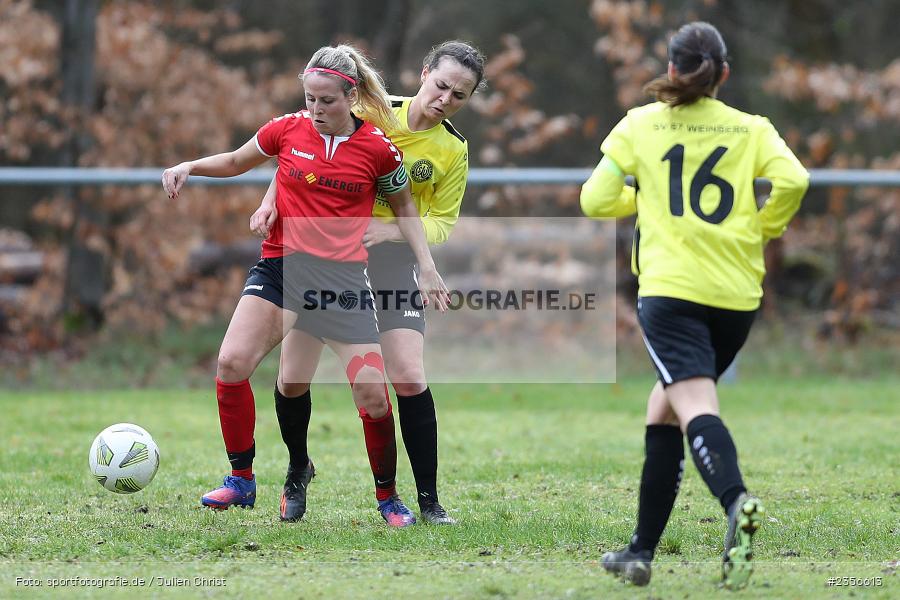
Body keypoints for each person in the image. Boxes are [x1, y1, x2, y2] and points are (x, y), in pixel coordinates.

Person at [161, 44, 450, 528]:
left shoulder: (378, 148)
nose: (316, 110)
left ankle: (388, 498)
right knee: (233, 362)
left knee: (373, 397)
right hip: (281, 270)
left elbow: (405, 209)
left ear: (350, 94)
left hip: (342, 284)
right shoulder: (286, 129)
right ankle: (242, 479)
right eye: (310, 99)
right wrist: (190, 165)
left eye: (326, 101)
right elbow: (236, 160)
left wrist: (427, 266)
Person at [580, 22, 808, 588]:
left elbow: (594, 198)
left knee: (696, 404)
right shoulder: (752, 128)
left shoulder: (640, 125)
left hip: (671, 293)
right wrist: (762, 228)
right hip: (736, 295)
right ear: (723, 74)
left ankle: (737, 502)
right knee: (663, 410)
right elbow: (795, 180)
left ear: (673, 70)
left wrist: (642, 193)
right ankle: (639, 552)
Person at [251, 40, 486, 525]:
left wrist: (391, 230)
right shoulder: (373, 112)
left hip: (391, 266)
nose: (445, 98)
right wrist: (271, 197)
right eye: (441, 85)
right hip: (326, 260)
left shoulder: (453, 151)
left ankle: (429, 503)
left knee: (408, 376)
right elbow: (303, 151)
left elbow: (441, 222)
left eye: (459, 95)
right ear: (424, 74)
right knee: (292, 379)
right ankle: (298, 470)